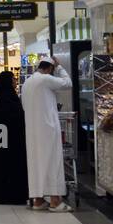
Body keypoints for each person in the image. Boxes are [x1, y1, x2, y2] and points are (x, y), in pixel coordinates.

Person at [21, 58, 73, 212]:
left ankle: (37, 200)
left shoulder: (28, 83)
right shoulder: (45, 79)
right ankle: (55, 202)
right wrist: (60, 67)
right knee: (53, 162)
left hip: (32, 130)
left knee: (36, 163)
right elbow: (67, 83)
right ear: (49, 68)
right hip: (48, 129)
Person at [0, 70, 28, 205]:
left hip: (3, 143)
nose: (15, 82)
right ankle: (13, 195)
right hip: (11, 143)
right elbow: (15, 119)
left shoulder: (1, 99)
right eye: (13, 80)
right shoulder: (8, 99)